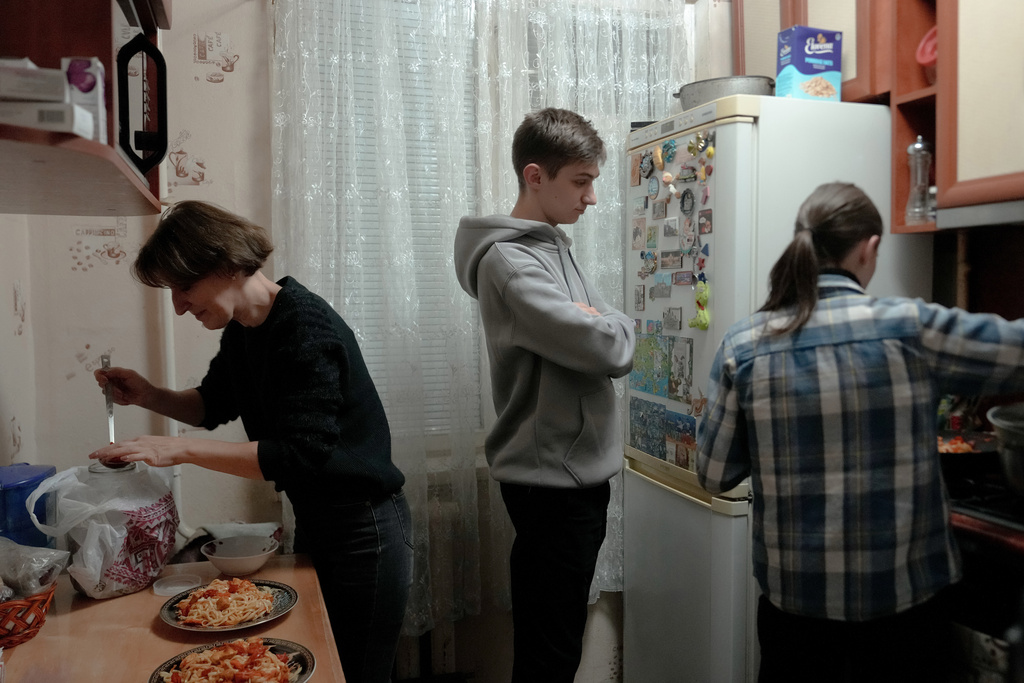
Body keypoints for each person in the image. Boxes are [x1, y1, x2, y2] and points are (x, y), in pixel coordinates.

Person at [696, 182, 1024, 682]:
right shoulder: (909, 326)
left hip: (797, 620)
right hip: (904, 617)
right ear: (869, 248)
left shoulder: (745, 344)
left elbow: (714, 474)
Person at [89, 200, 412, 683]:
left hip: (365, 528)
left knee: (357, 672)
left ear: (224, 264)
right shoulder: (246, 330)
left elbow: (300, 455)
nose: (178, 305)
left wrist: (174, 449)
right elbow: (211, 405)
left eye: (184, 287)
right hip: (321, 520)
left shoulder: (303, 325)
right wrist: (150, 395)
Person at [453, 108, 636, 682]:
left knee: (553, 639)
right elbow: (608, 347)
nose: (592, 198)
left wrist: (602, 321)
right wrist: (607, 324)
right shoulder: (511, 261)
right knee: (550, 650)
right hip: (553, 484)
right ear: (536, 176)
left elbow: (601, 325)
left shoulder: (551, 246)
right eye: (580, 182)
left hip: (569, 476)